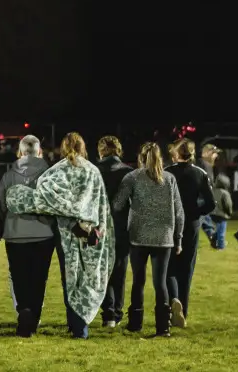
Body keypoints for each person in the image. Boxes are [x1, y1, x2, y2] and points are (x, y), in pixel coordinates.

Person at [5, 132, 113, 340]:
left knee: (69, 278)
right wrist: (99, 229)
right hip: (89, 232)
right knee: (85, 278)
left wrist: (18, 196)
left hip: (66, 233)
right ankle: (80, 326)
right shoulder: (93, 171)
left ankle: (76, 325)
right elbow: (100, 204)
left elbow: (44, 197)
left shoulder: (57, 171)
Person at [0, 134, 53, 337]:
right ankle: (34, 317)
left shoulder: (9, 176)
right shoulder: (48, 174)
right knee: (38, 278)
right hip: (43, 234)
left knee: (20, 277)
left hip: (15, 235)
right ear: (39, 152)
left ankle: (24, 309)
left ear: (20, 152)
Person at [113, 141, 183, 337]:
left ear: (140, 158)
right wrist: (178, 238)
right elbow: (179, 213)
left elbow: (117, 204)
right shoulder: (169, 179)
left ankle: (135, 322)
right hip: (164, 237)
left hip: (138, 236)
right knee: (160, 283)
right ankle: (163, 327)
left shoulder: (132, 177)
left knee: (138, 281)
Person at [165, 138, 215, 327]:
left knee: (169, 267)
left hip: (170, 225)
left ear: (176, 154)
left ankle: (173, 300)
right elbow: (210, 203)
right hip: (191, 225)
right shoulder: (199, 173)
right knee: (186, 268)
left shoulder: (167, 173)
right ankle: (183, 311)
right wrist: (196, 212)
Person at [95, 135, 132, 329]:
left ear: (101, 151)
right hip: (122, 226)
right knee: (120, 270)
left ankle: (108, 312)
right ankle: (117, 312)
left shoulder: (94, 171)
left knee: (103, 271)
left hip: (99, 226)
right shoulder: (128, 172)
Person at [198, 144, 220, 244]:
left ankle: (212, 235)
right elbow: (206, 182)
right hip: (200, 196)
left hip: (201, 196)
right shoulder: (203, 164)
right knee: (202, 217)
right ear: (207, 153)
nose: (216, 156)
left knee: (203, 217)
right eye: (214, 153)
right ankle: (212, 235)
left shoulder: (208, 165)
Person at [209, 175, 233, 250]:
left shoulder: (213, 191)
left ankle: (213, 239)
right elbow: (227, 204)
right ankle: (221, 247)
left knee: (218, 230)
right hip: (222, 215)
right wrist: (229, 212)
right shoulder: (225, 193)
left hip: (213, 214)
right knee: (221, 232)